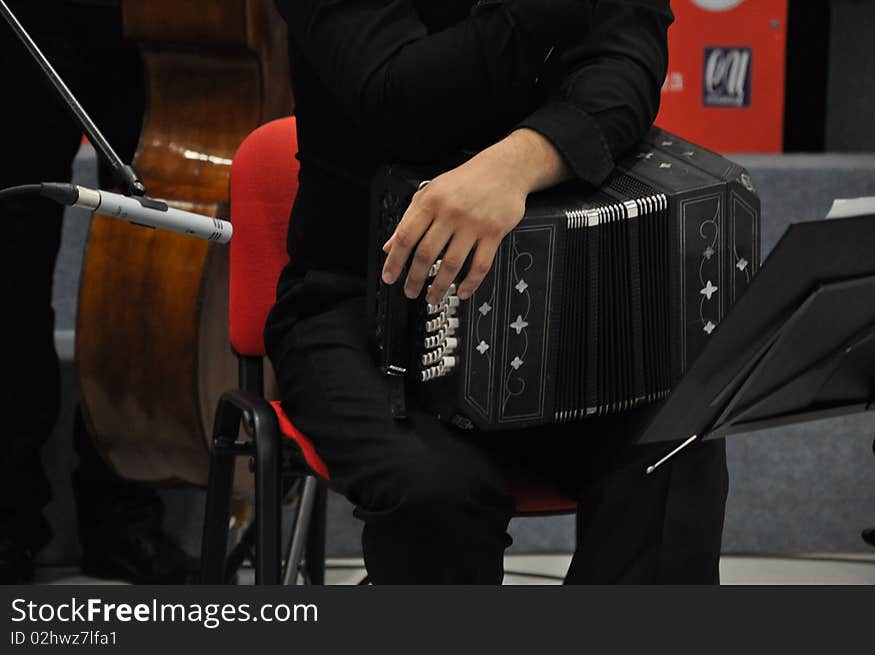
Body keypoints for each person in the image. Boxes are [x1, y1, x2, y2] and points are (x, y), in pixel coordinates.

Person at [266, 0, 728, 584]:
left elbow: (625, 74)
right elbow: (395, 97)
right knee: (439, 494)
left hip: (561, 292)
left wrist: (516, 163)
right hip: (371, 299)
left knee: (676, 441)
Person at [0, 0, 193, 584]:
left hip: (168, 17)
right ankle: (7, 520)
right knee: (10, 250)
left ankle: (128, 509)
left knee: (154, 254)